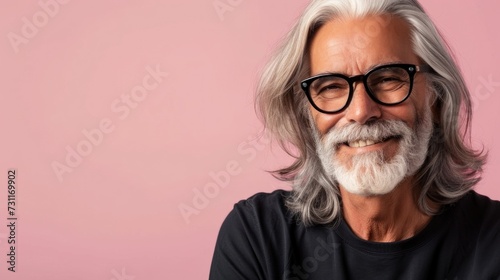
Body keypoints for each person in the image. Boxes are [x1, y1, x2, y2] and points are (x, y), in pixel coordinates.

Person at [209, 0, 500, 279]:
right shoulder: (258, 237)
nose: (361, 112)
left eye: (388, 78)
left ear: (436, 98)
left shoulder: (492, 243)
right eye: (331, 86)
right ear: (306, 113)